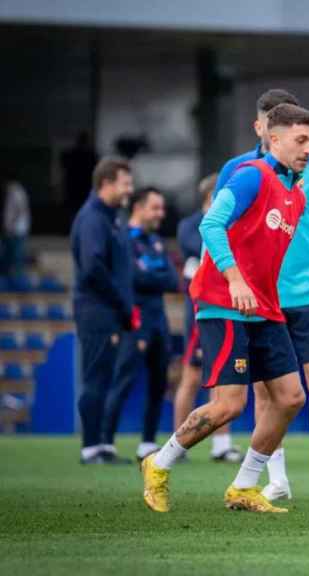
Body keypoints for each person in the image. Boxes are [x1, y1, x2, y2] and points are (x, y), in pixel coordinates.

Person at [140, 103, 309, 513]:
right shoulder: (250, 177)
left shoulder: (296, 196)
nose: (308, 149)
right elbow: (210, 225)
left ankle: (244, 486)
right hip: (224, 303)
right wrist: (235, 278)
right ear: (273, 139)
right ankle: (159, 463)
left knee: (291, 398)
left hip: (265, 308)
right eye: (300, 140)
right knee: (230, 405)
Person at [215, 88, 309, 503]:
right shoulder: (239, 169)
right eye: (270, 124)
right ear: (261, 128)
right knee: (268, 392)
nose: (299, 143)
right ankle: (276, 479)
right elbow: (216, 227)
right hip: (259, 294)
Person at [103, 187, 178, 461]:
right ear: (138, 208)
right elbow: (131, 278)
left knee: (159, 382)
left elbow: (172, 280)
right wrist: (151, 277)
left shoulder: (156, 241)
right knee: (123, 380)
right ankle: (106, 443)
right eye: (155, 208)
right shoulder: (123, 239)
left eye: (162, 208)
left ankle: (147, 442)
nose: (161, 213)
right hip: (134, 320)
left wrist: (150, 276)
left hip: (159, 319)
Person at [70, 157, 137, 464]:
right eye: (125, 183)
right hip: (97, 311)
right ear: (106, 183)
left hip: (109, 310)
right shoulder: (92, 218)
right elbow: (92, 268)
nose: (130, 189)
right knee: (95, 377)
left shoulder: (111, 217)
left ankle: (101, 446)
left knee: (104, 376)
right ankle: (91, 447)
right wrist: (121, 302)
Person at [175, 174, 240, 463]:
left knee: (222, 375)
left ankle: (221, 443)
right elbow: (199, 248)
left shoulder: (230, 222)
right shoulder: (192, 225)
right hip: (201, 306)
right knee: (191, 374)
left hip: (225, 302)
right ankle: (177, 443)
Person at [2, 180, 30, 278]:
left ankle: (17, 277)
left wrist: (10, 225)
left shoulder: (16, 192)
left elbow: (19, 209)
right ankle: (12, 275)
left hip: (16, 230)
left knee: (16, 255)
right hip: (16, 229)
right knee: (11, 254)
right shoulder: (15, 192)